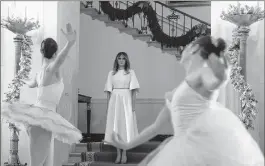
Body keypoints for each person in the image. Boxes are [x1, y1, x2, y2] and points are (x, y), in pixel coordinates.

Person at [107, 36, 264, 165]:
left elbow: (215, 82)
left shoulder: (201, 76)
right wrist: (127, 145)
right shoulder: (178, 91)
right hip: (180, 149)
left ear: (197, 52)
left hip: (197, 150)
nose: (186, 48)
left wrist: (222, 74)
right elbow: (155, 128)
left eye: (190, 46)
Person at [1, 23, 82, 166]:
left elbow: (31, 83)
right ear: (55, 52)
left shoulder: (40, 73)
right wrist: (70, 43)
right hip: (42, 118)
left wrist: (20, 77)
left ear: (41, 52)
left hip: (39, 117)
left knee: (43, 162)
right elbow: (60, 60)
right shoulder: (50, 69)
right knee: (38, 163)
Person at [104, 52, 140, 164]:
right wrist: (108, 107)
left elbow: (134, 91)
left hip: (126, 101)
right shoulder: (111, 73)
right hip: (115, 102)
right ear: (116, 60)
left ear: (126, 60)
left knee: (125, 127)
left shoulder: (130, 73)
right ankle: (118, 153)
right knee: (116, 127)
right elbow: (108, 92)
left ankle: (124, 152)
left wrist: (133, 106)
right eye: (119, 58)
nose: (121, 60)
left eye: (123, 58)